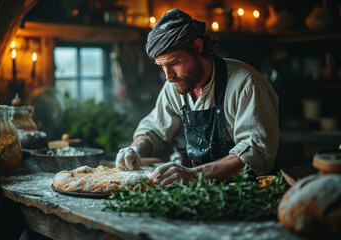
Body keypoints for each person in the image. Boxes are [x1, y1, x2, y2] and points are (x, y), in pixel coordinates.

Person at [116, 8, 279, 187]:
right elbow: (155, 130)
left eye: (175, 63)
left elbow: (256, 152)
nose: (168, 75)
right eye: (161, 66)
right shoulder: (175, 85)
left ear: (198, 46)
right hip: (203, 191)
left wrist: (193, 174)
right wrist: (135, 148)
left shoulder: (246, 84)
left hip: (248, 192)